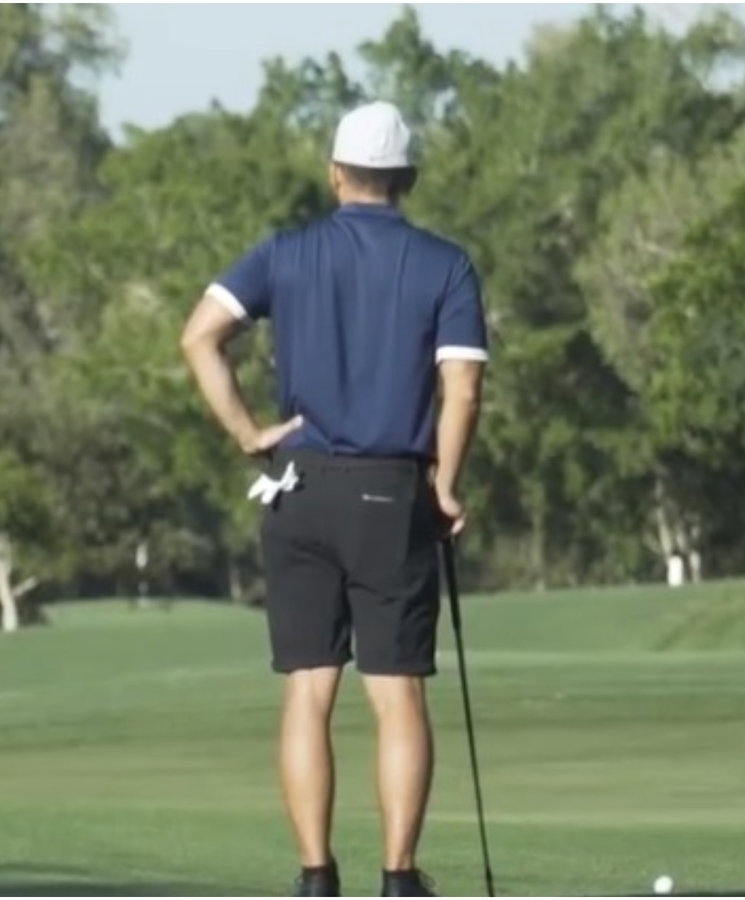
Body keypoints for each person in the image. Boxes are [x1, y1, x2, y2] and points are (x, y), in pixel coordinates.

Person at [179, 101, 487, 897]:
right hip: (391, 492)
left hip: (299, 487)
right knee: (395, 692)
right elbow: (461, 386)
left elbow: (198, 336)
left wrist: (249, 431)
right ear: (407, 178)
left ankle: (316, 877)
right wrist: (446, 483)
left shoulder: (286, 252)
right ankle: (398, 878)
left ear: (335, 173)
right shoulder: (444, 264)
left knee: (309, 688)